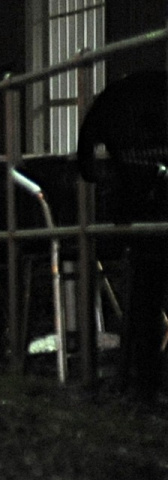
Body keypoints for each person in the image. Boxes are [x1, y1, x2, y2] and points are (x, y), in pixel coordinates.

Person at [78, 70, 168, 399]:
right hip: (152, 204)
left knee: (146, 291)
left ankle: (146, 381)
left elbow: (86, 165)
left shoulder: (115, 100)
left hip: (136, 211)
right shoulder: (150, 94)